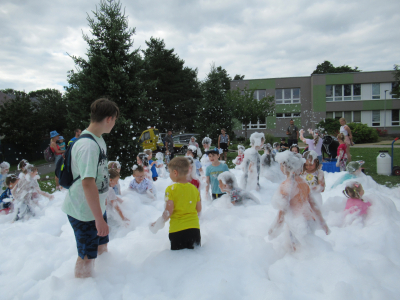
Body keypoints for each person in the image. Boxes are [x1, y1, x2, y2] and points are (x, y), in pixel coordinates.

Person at [61, 98, 119, 278]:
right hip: (84, 211)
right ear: (109, 118)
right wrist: (98, 219)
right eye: (115, 120)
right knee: (86, 255)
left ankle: (101, 282)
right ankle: (82, 289)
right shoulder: (87, 146)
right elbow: (87, 183)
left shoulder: (99, 139)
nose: (114, 124)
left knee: (101, 246)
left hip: (95, 208)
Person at [268, 151, 330, 251]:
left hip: (297, 224)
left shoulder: (285, 185)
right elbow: (313, 204)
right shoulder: (303, 182)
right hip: (309, 221)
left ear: (285, 167)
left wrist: (274, 228)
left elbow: (283, 210)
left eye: (280, 165)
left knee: (296, 250)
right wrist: (322, 223)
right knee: (307, 249)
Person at [150, 157, 201, 250]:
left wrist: (158, 223)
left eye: (169, 172)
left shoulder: (171, 189)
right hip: (194, 230)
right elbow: (199, 209)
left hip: (178, 231)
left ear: (175, 173)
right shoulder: (194, 189)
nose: (169, 174)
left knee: (178, 262)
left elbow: (168, 211)